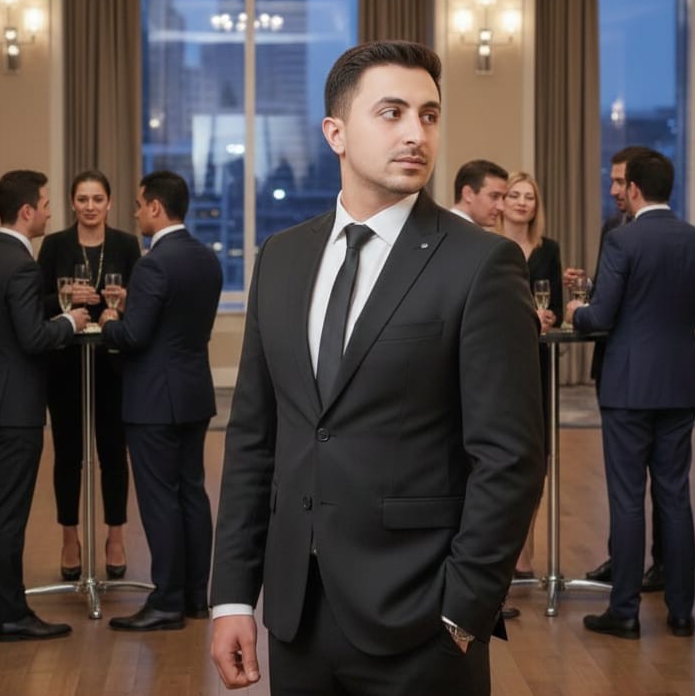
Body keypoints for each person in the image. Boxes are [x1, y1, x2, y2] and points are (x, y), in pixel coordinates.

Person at [210, 40, 545, 696]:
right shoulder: (280, 257)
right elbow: (254, 438)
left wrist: (463, 610)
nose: (416, 133)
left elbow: (510, 456)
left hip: (421, 619)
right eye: (392, 113)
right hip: (296, 614)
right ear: (335, 132)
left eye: (429, 114)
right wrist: (231, 598)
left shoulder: (480, 263)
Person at [567, 149, 695, 640]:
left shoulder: (623, 240)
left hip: (629, 386)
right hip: (679, 384)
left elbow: (601, 316)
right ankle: (681, 612)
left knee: (628, 498)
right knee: (676, 496)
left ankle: (625, 611)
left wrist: (574, 312)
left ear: (633, 188)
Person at [0, 170, 89, 641]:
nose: (50, 213)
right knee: (9, 514)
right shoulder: (20, 265)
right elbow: (33, 338)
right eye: (46, 204)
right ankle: (14, 616)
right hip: (16, 404)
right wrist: (70, 321)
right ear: (26, 211)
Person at [99, 170, 222, 632]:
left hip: (153, 398)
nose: (136, 214)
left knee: (159, 500)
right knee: (192, 493)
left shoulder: (153, 264)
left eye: (138, 205)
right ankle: (194, 598)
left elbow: (134, 335)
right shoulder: (207, 259)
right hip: (193, 392)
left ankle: (166, 601)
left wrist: (110, 321)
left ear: (155, 207)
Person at [569, 144, 666, 593]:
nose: (612, 190)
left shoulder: (649, 234)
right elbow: (610, 292)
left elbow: (614, 309)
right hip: (615, 364)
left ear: (637, 184)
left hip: (638, 368)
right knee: (624, 481)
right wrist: (587, 287)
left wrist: (579, 313)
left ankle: (660, 565)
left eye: (619, 181)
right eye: (610, 181)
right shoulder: (613, 227)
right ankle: (622, 560)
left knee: (654, 483)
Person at [37, 169, 140, 581]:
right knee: (68, 455)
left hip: (112, 364)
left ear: (109, 203)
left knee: (114, 453)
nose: (90, 207)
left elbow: (142, 301)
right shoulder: (55, 245)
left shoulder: (126, 245)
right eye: (83, 199)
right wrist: (63, 300)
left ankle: (115, 537)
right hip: (65, 364)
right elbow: (36, 300)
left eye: (98, 199)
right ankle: (69, 538)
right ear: (72, 203)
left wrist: (125, 302)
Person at [497, 171, 562, 578]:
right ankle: (500, 545)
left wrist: (549, 316)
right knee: (501, 452)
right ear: (502, 203)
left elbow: (555, 306)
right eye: (515, 195)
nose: (522, 202)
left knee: (538, 456)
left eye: (530, 197)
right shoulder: (488, 245)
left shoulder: (548, 249)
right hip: (498, 359)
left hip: (537, 359)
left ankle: (526, 546)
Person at [450, 159, 509, 228]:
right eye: (494, 196)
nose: (501, 207)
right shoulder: (452, 230)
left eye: (503, 198)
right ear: (468, 194)